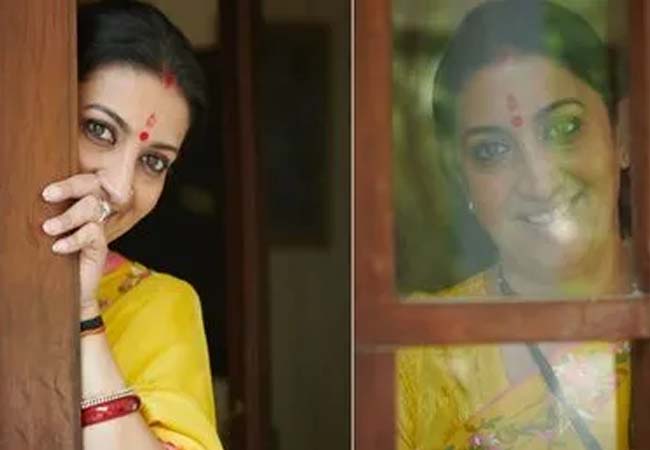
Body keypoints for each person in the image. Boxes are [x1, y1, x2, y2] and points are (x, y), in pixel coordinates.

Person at [398, 1, 632, 449]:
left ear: (623, 136)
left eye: (564, 128)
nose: (540, 183)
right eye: (492, 151)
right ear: (462, 179)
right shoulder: (417, 358)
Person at [41, 2, 222, 449]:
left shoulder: (158, 306)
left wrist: (84, 315)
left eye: (154, 162)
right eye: (100, 130)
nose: (120, 190)